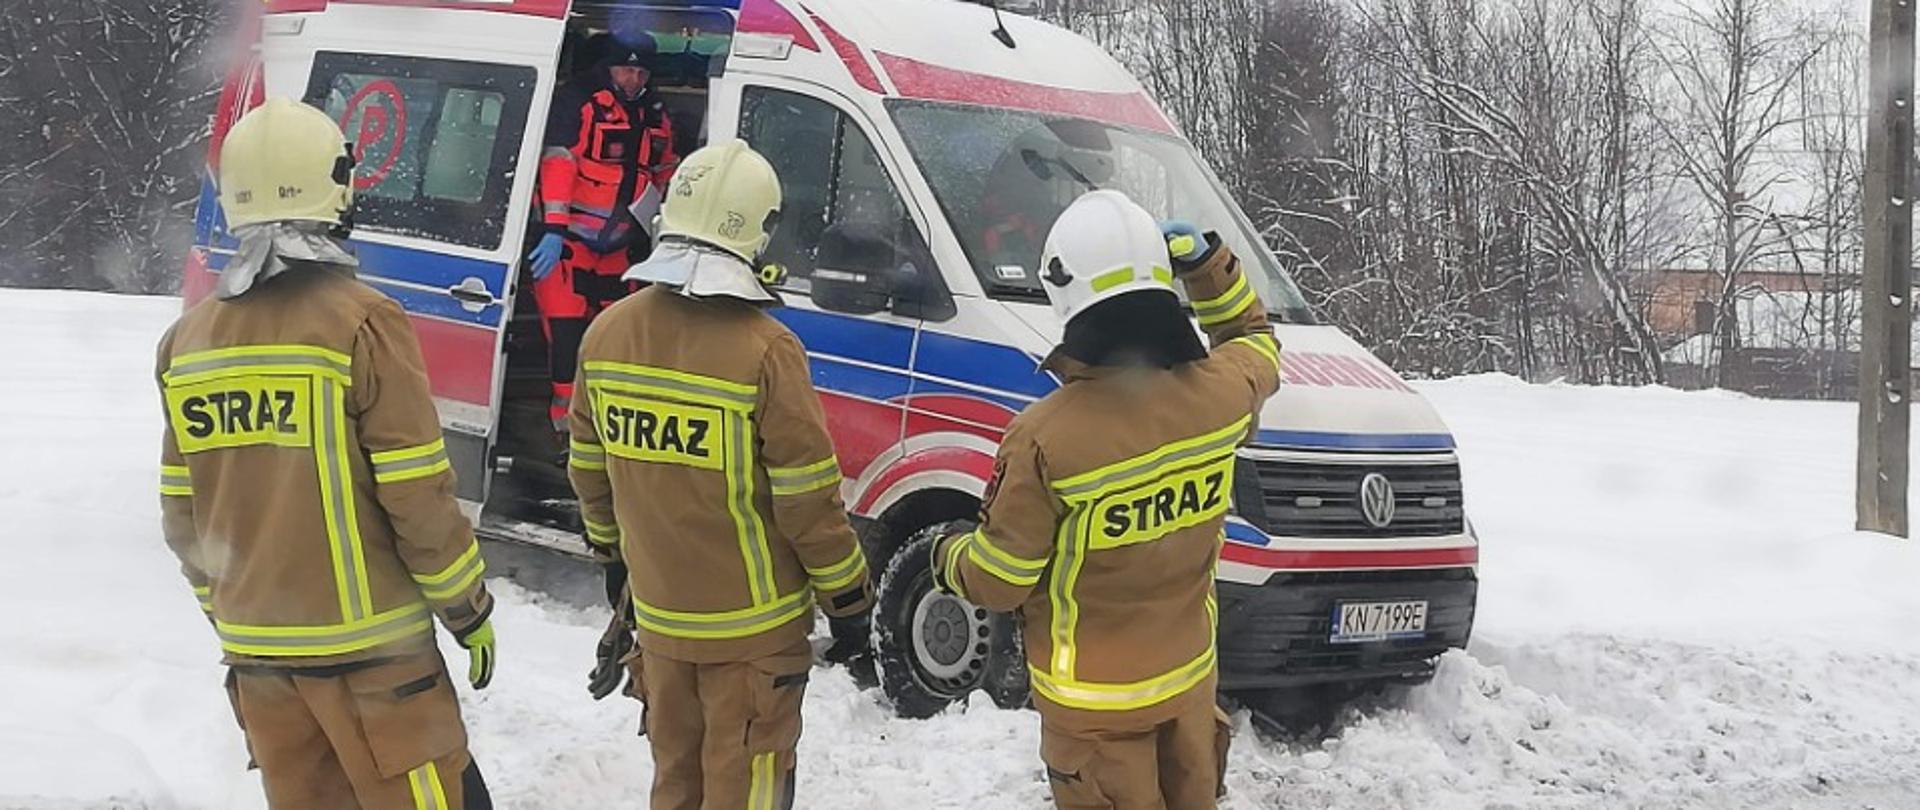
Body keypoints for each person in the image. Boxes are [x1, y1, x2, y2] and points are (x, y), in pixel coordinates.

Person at [156, 97, 497, 808]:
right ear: (331, 187)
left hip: (261, 669)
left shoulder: (187, 341)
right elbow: (417, 494)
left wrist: (232, 614)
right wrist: (468, 609)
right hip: (377, 671)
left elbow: (182, 514)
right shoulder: (363, 322)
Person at [929, 190, 1283, 810]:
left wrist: (948, 556)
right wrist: (1209, 269)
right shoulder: (1221, 398)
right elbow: (1254, 342)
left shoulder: (1044, 437)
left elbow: (1001, 579)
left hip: (1092, 705)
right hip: (1190, 684)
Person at [566, 139, 875, 810]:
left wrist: (612, 555)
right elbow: (808, 504)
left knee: (676, 785)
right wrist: (850, 603)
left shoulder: (608, 334)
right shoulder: (766, 351)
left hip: (663, 628)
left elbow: (590, 468)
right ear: (758, 233)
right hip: (754, 640)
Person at [529, 33, 682, 435]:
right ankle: (564, 426)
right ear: (608, 67)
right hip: (568, 245)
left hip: (622, 249)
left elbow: (665, 169)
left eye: (641, 71)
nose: (633, 79)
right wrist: (553, 230)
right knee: (565, 335)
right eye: (625, 69)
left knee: (617, 340)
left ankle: (602, 427)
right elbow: (558, 162)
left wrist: (662, 227)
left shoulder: (656, 113)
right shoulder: (579, 102)